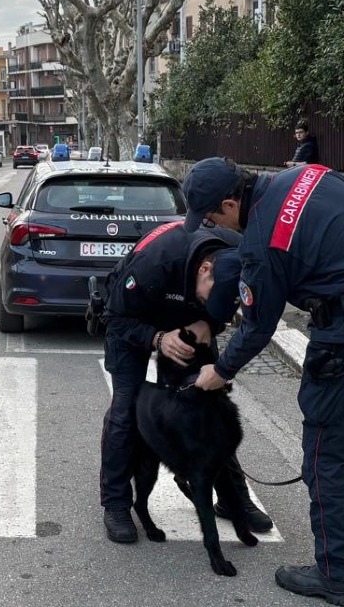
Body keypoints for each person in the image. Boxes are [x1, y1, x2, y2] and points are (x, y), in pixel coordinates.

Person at [183, 157, 344, 606]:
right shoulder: (311, 174)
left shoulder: (262, 240)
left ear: (230, 203)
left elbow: (258, 327)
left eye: (213, 218)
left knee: (324, 453)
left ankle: (337, 574)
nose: (216, 226)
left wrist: (219, 372)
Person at [99, 222, 273, 544]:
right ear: (205, 270)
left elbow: (228, 311)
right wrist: (158, 339)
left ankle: (234, 499)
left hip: (189, 322)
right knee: (126, 409)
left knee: (210, 409)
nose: (216, 304)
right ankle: (116, 503)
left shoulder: (240, 253)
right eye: (212, 298)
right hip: (134, 319)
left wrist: (209, 322)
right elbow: (114, 319)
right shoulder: (154, 263)